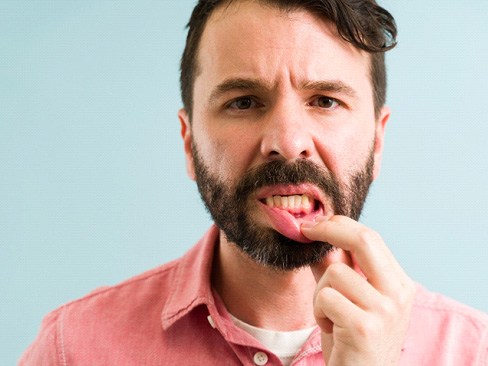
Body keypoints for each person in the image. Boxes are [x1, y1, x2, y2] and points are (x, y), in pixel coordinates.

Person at [20, 0, 488, 365]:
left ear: (377, 142)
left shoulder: (472, 352)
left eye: (325, 100)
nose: (287, 142)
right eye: (244, 102)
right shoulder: (70, 349)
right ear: (189, 143)